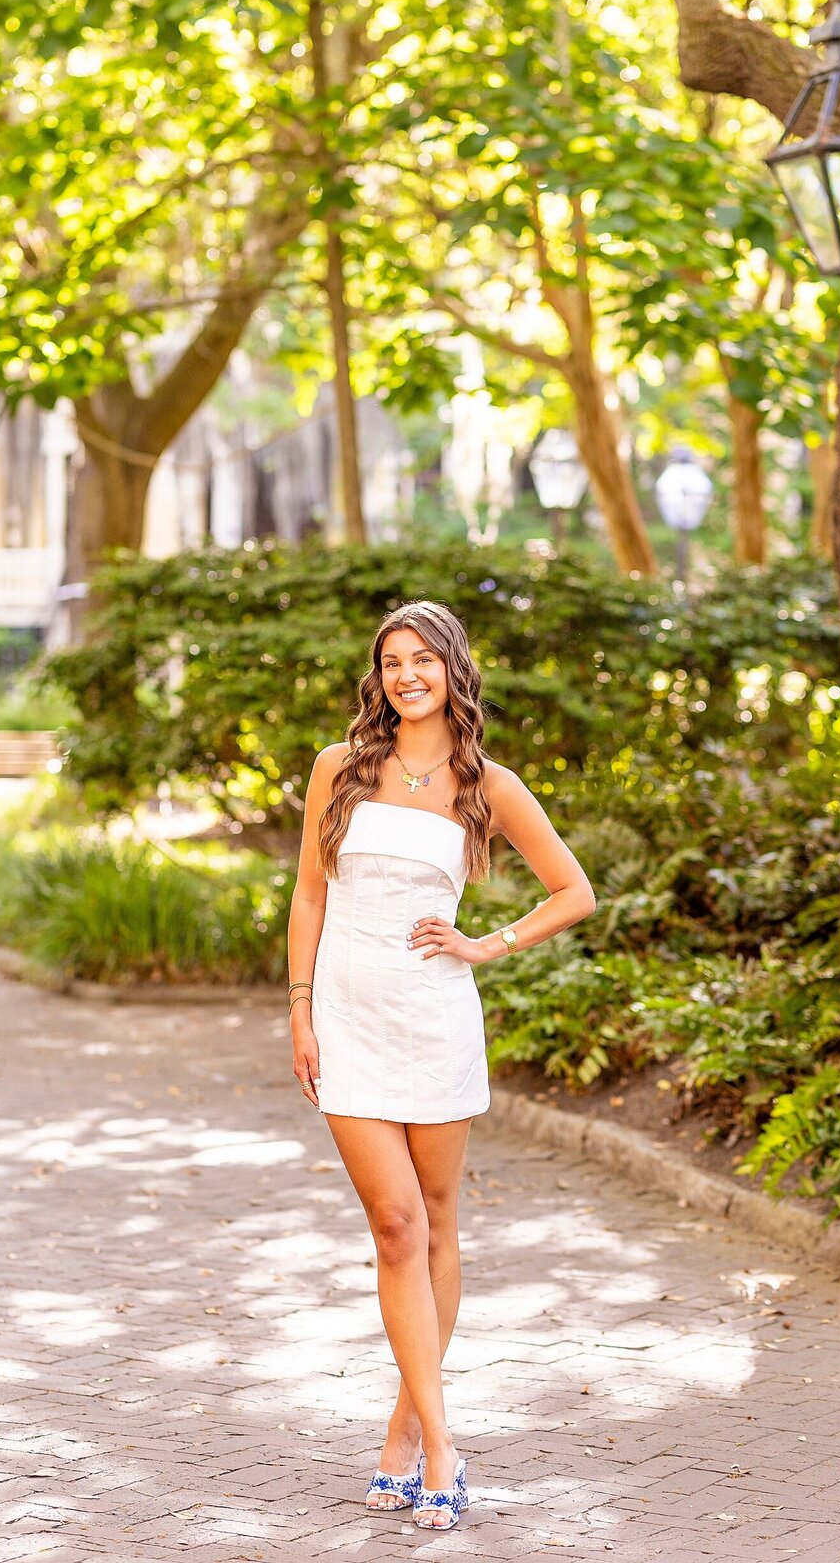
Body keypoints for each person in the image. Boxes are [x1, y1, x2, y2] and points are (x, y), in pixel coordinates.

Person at [287, 598, 595, 1531]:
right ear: (378, 678)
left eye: (422, 659)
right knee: (394, 1225)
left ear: (452, 669)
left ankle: (408, 1435)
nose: (406, 675)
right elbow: (308, 896)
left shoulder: (487, 785)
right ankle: (445, 1443)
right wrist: (298, 1007)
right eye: (392, 662)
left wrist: (485, 944)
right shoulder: (339, 767)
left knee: (435, 1221)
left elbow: (573, 891)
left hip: (435, 1020)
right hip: (346, 1018)